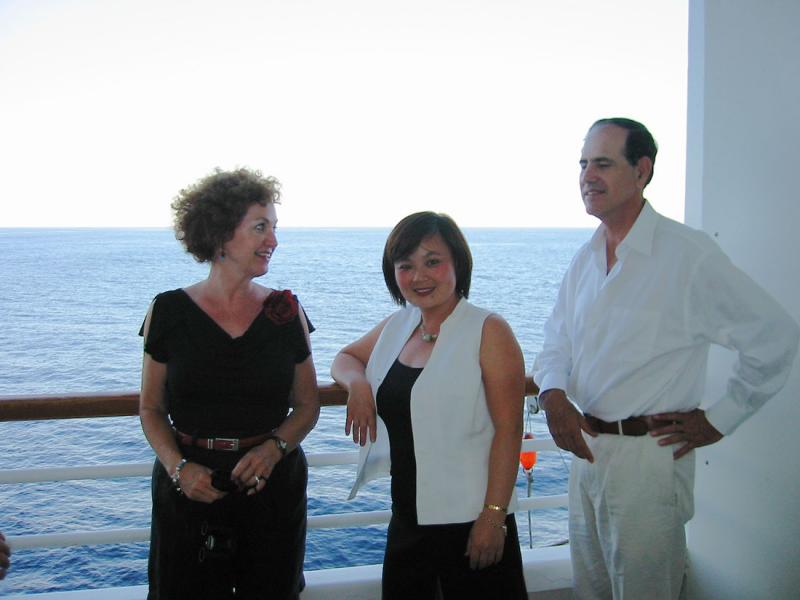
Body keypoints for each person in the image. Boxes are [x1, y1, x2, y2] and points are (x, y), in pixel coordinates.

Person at [533, 118, 800, 600]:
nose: (587, 175)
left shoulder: (686, 255)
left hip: (647, 463)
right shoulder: (586, 259)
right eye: (583, 163)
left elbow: (775, 336)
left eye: (603, 163)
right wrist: (552, 394)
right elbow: (556, 339)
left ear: (641, 170)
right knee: (590, 591)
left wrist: (720, 419)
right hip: (587, 455)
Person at [139, 168, 319, 600]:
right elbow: (150, 408)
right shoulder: (167, 312)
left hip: (271, 485)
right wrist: (179, 469)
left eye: (274, 227)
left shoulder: (285, 311)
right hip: (189, 488)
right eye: (260, 227)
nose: (273, 240)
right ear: (220, 235)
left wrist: (273, 450)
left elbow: (308, 406)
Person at [332, 212, 528, 600]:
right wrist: (357, 385)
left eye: (432, 261)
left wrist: (493, 516)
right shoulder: (399, 326)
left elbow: (508, 430)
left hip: (470, 519)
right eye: (406, 265)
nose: (419, 276)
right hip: (408, 518)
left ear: (458, 263)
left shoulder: (488, 330)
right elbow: (345, 358)